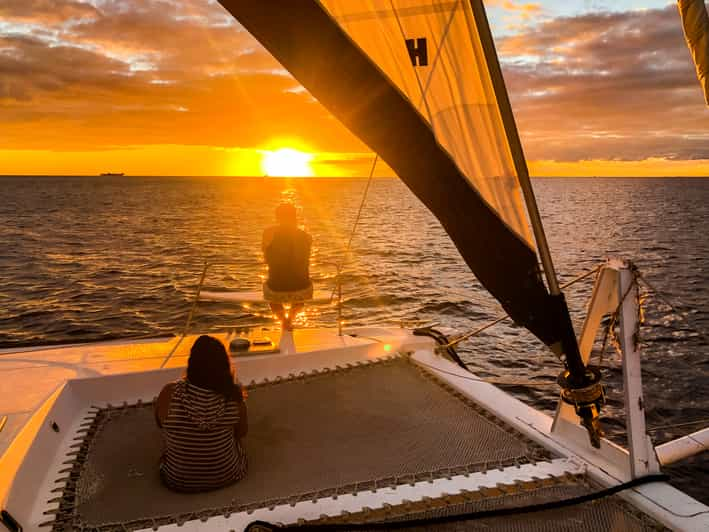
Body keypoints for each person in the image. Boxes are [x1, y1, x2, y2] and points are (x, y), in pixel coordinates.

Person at [154, 335, 248, 492]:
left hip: (176, 481)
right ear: (224, 365)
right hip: (229, 475)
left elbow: (160, 423)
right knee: (237, 443)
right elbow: (241, 433)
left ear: (192, 363)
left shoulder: (170, 391)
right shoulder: (233, 396)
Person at [262, 203, 313, 330]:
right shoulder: (307, 236)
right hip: (302, 287)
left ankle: (284, 321)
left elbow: (265, 255)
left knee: (271, 296)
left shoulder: (269, 233)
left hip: (276, 287)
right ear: (295, 217)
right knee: (301, 295)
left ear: (277, 217)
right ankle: (290, 318)